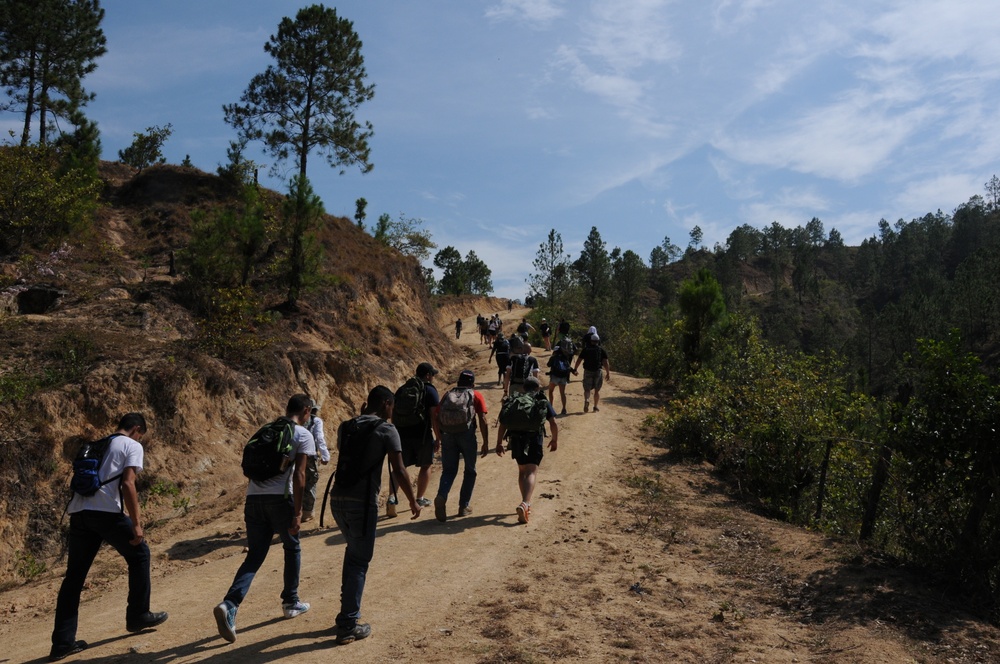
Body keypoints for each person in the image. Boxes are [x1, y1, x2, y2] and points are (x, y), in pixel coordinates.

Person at [51, 413, 168, 662]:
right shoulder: (131, 445)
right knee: (140, 553)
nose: (140, 440)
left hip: (79, 512)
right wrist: (136, 524)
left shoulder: (98, 444)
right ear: (137, 429)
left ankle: (62, 643)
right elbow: (128, 483)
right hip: (105, 512)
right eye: (141, 435)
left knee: (74, 578)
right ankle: (138, 615)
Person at [214, 394, 315, 644]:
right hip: (280, 501)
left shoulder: (266, 429)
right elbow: (299, 476)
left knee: (255, 555)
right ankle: (291, 602)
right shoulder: (302, 434)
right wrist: (298, 512)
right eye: (310, 413)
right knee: (292, 548)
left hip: (253, 500)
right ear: (305, 410)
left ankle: (230, 604)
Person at [329, 386, 421, 645]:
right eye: (391, 406)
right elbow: (399, 469)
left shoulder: (346, 426)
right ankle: (348, 625)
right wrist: (412, 500)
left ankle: (346, 614)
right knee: (359, 561)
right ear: (386, 403)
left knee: (353, 553)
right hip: (362, 502)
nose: (393, 412)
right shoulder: (386, 429)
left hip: (337, 499)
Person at [495, 377, 558, 524]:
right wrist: (554, 439)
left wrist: (499, 443)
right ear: (537, 387)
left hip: (516, 439)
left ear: (524, 388)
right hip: (534, 439)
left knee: (522, 471)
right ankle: (525, 503)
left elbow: (503, 424)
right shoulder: (541, 399)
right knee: (531, 471)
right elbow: (553, 423)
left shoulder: (514, 400)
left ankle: (525, 502)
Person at [433, 369, 490, 521]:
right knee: (470, 470)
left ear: (458, 381)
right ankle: (463, 506)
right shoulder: (475, 394)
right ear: (473, 383)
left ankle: (441, 495)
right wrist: (485, 442)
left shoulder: (447, 395)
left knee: (449, 470)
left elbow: (436, 416)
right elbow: (483, 419)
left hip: (447, 436)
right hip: (467, 435)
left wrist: (439, 436)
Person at [387, 362, 441, 516]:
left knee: (398, 468)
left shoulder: (403, 389)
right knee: (426, 465)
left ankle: (391, 499)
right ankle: (419, 498)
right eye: (433, 375)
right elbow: (434, 417)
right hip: (421, 435)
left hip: (401, 434)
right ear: (428, 375)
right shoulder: (430, 391)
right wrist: (438, 438)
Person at [302, 401, 331, 522]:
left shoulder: (298, 421)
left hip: (295, 455)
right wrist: (325, 456)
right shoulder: (316, 421)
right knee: (310, 482)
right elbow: (319, 438)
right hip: (310, 454)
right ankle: (308, 512)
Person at [573, 333, 611, 413]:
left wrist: (575, 369)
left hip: (588, 371)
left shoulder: (586, 349)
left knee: (587, 389)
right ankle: (595, 407)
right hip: (598, 371)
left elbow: (579, 360)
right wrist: (608, 372)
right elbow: (605, 362)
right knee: (597, 390)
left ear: (591, 341)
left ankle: (587, 399)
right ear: (598, 341)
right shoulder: (601, 350)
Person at [546, 344, 574, 415]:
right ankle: (564, 409)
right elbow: (568, 367)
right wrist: (574, 371)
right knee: (562, 393)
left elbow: (548, 365)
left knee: (551, 391)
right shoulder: (565, 358)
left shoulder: (553, 357)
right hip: (563, 377)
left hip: (555, 376)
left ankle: (551, 407)